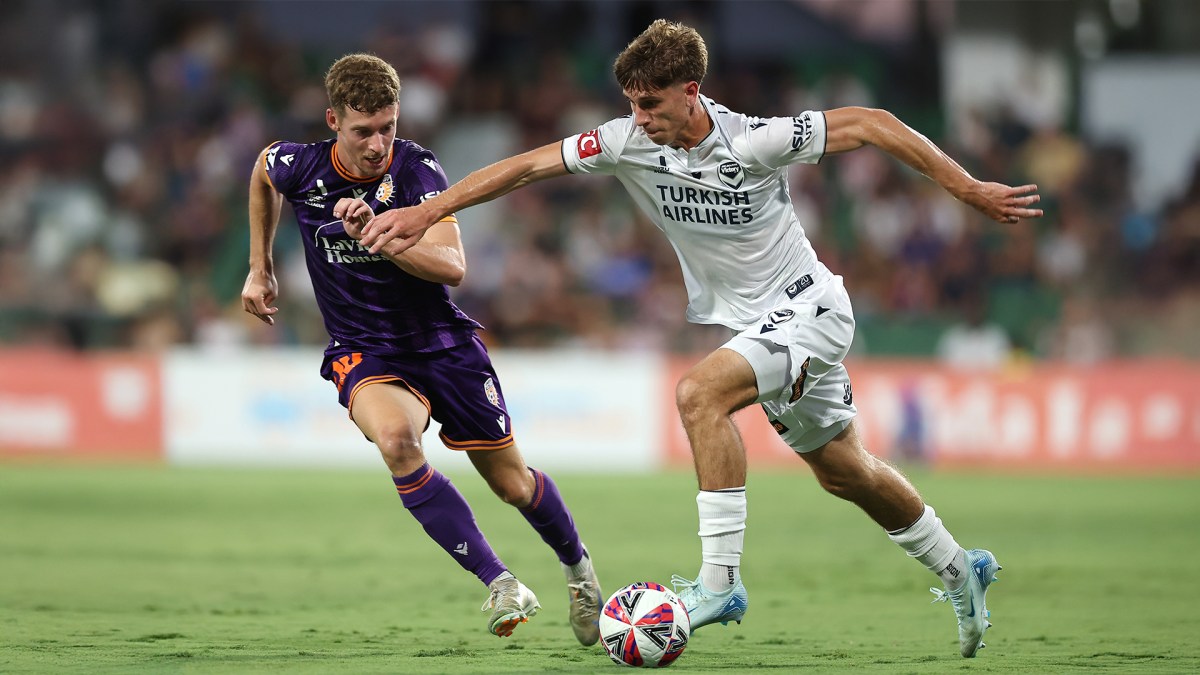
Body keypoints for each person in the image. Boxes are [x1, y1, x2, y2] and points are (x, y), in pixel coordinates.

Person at [357, 20, 1044, 658]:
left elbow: (873, 122)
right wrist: (430, 210)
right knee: (844, 470)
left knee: (698, 394)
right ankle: (961, 565)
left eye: (651, 103)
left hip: (811, 308)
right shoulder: (625, 141)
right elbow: (528, 167)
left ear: (692, 93)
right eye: (631, 102)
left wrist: (967, 188)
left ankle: (719, 583)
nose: (639, 118)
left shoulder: (754, 140)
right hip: (762, 327)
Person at [240, 53, 602, 644]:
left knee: (512, 485)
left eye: (388, 127)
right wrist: (260, 269)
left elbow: (452, 267)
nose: (378, 143)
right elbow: (261, 173)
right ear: (333, 120)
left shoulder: (415, 172)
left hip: (441, 346)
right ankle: (501, 581)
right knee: (396, 442)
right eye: (363, 131)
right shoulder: (298, 165)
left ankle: (578, 568)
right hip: (365, 350)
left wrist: (380, 237)